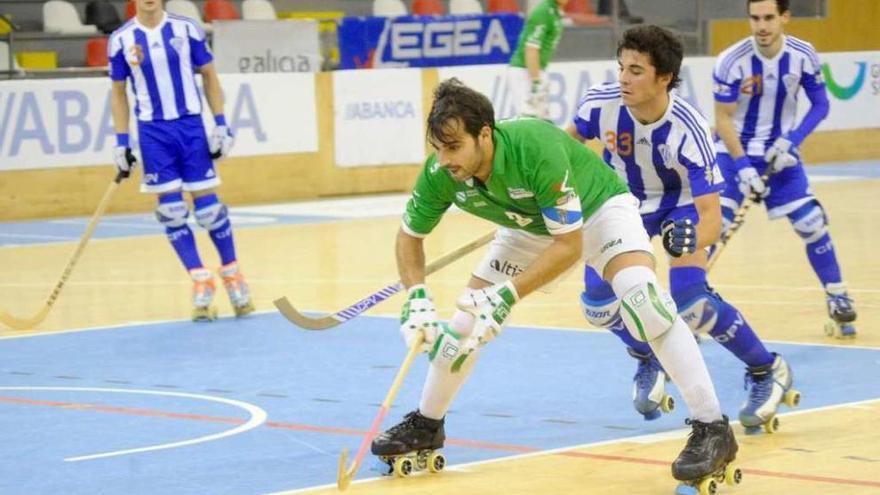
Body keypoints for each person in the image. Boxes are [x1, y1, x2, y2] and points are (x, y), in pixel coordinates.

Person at [370, 78, 737, 484]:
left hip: (598, 212)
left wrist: (506, 295)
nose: (445, 159)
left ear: (485, 135)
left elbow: (568, 245)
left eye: (454, 147)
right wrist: (416, 297)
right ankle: (427, 423)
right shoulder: (442, 170)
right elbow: (410, 237)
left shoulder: (535, 148)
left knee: (643, 301)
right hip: (527, 227)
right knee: (464, 324)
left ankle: (713, 428)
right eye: (437, 149)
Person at [567, 24, 799, 434]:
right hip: (621, 205)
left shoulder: (689, 128)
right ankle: (648, 357)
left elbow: (712, 216)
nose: (623, 78)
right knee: (598, 305)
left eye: (636, 70)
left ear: (665, 78)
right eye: (621, 67)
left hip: (682, 207)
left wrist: (691, 240)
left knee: (691, 302)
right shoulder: (600, 103)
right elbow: (560, 153)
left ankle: (767, 369)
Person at [713, 0, 856, 338]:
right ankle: (691, 304)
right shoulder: (732, 61)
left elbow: (820, 104)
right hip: (734, 156)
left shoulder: (802, 54)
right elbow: (722, 119)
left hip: (782, 157)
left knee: (812, 223)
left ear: (784, 18)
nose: (761, 26)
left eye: (768, 18)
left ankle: (837, 295)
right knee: (712, 228)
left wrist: (793, 140)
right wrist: (743, 166)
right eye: (754, 18)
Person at [108, 0, 254, 321]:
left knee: (209, 210)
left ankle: (232, 273)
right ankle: (200, 280)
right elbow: (118, 92)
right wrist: (121, 141)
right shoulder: (121, 39)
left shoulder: (186, 29)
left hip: (190, 127)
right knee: (171, 211)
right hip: (153, 134)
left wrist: (220, 123)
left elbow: (210, 77)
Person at [506, 0, 568, 118]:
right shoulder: (544, 12)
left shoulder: (556, 12)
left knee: (542, 120)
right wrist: (535, 81)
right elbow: (531, 48)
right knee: (529, 118)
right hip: (524, 71)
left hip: (537, 70)